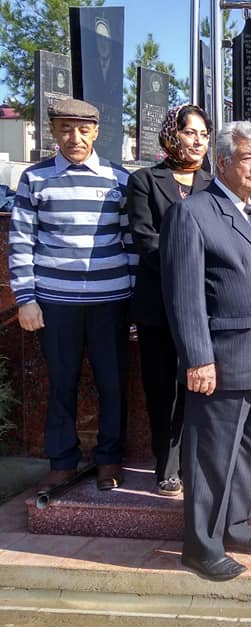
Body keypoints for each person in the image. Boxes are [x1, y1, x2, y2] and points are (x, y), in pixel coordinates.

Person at [161, 121, 251, 581]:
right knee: (211, 458)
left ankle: (235, 527)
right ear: (221, 162)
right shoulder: (193, 213)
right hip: (222, 362)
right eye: (248, 158)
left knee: (249, 455)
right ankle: (200, 546)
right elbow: (184, 295)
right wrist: (198, 358)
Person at [9, 98, 136, 492]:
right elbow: (21, 240)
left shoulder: (118, 178)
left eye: (83, 130)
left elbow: (131, 242)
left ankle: (109, 459)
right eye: (66, 129)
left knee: (112, 383)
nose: (75, 138)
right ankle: (62, 460)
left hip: (110, 301)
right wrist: (26, 298)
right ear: (54, 131)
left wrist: (135, 301)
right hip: (55, 302)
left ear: (96, 132)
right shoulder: (35, 178)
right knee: (61, 382)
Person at [128, 104, 214, 497]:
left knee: (197, 387)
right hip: (159, 305)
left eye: (204, 134)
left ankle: (194, 460)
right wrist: (191, 267)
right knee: (163, 388)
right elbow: (146, 241)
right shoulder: (145, 181)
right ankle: (166, 465)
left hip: (204, 307)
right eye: (190, 132)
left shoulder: (213, 184)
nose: (198, 141)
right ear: (171, 134)